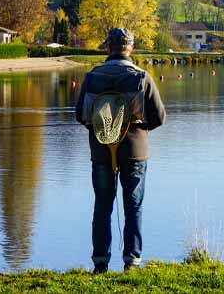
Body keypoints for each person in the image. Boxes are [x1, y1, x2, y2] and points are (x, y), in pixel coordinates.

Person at [75, 28, 166, 273]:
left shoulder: (92, 77)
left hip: (102, 152)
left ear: (108, 47)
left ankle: (100, 262)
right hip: (135, 151)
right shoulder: (142, 76)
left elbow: (80, 115)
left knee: (102, 205)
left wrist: (102, 131)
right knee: (133, 206)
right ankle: (132, 261)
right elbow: (159, 117)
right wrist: (138, 131)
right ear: (131, 48)